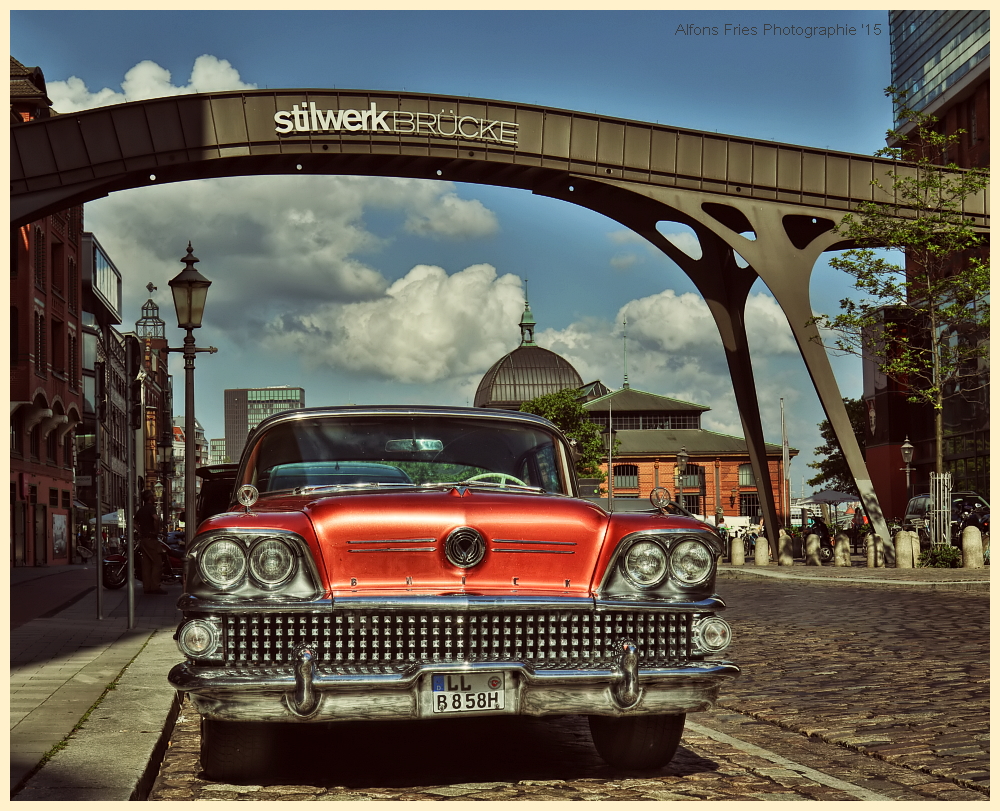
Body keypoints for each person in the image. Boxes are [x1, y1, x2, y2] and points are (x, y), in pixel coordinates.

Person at [134, 490, 165, 594]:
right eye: (153, 496)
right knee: (157, 563)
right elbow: (155, 519)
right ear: (150, 498)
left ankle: (147, 587)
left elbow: (134, 522)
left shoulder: (141, 510)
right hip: (151, 539)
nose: (155, 498)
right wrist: (156, 530)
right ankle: (155, 586)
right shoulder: (151, 508)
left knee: (146, 564)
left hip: (143, 539)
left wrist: (141, 531)